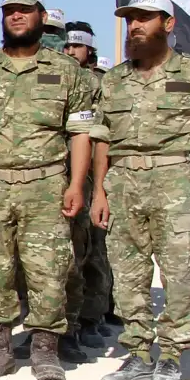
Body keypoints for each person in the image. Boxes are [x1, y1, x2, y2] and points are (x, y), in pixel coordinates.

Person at [0, 0, 95, 380]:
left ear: (41, 18)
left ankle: (45, 350)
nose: (16, 16)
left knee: (48, 269)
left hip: (46, 184)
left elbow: (80, 133)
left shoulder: (66, 71)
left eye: (25, 10)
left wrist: (76, 185)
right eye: (10, 10)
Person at [91, 0, 190, 380]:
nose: (134, 26)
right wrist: (99, 192)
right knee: (128, 273)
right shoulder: (114, 80)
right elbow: (101, 137)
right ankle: (138, 353)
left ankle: (171, 354)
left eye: (144, 19)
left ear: (168, 24)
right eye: (130, 19)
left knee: (178, 273)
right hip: (122, 183)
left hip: (174, 178)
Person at [64, 21, 114, 346]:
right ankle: (61, 322)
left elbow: (101, 136)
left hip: (92, 175)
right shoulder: (58, 79)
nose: (70, 52)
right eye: (66, 46)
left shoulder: (100, 84)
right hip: (60, 175)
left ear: (89, 49)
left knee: (95, 250)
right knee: (64, 253)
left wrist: (100, 186)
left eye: (77, 47)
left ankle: (92, 316)